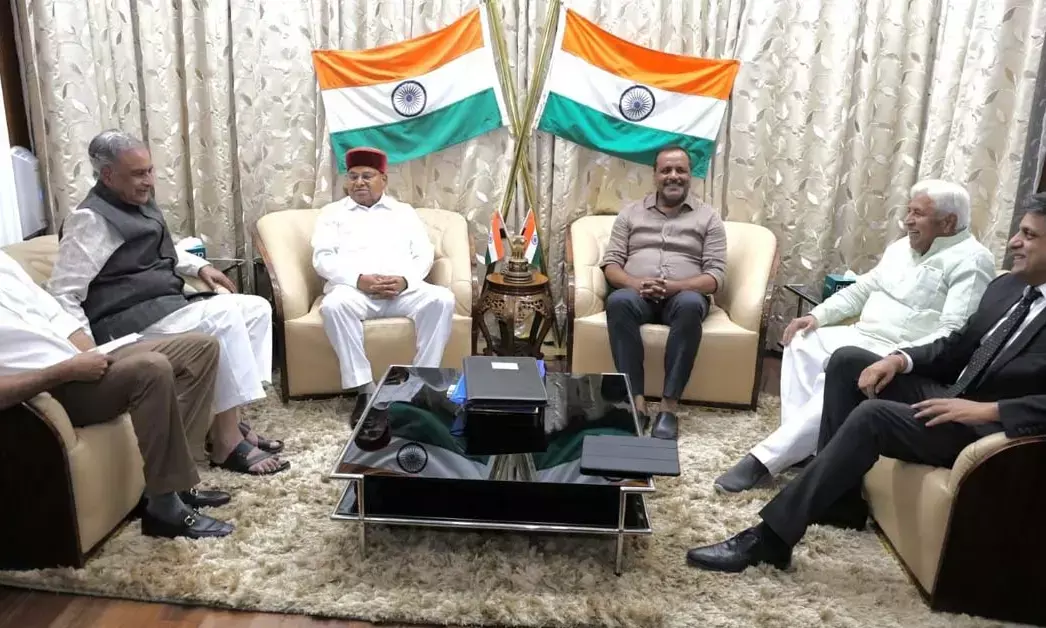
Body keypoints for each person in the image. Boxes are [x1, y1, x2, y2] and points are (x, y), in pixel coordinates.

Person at [685, 194, 1046, 574]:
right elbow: (957, 346)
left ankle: (771, 539)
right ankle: (840, 502)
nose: (1013, 242)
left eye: (1028, 235)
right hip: (955, 394)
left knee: (874, 416)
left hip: (992, 432)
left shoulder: (975, 265)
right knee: (848, 362)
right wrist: (899, 359)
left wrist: (990, 411)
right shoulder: (1009, 288)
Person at [715, 180, 995, 492]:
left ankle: (764, 460)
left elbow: (954, 333)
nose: (908, 221)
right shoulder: (902, 247)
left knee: (839, 374)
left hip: (901, 353)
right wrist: (817, 316)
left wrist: (901, 358)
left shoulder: (972, 261)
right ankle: (807, 450)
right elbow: (861, 290)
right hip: (863, 334)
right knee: (801, 339)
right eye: (908, 211)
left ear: (948, 222)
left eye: (918, 214)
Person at [48, 130, 288, 476]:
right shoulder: (90, 220)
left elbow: (163, 247)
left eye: (150, 170)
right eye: (138, 174)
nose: (149, 181)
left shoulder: (135, 201)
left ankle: (228, 420)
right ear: (108, 175)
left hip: (163, 308)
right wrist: (87, 350)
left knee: (255, 309)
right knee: (223, 314)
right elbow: (64, 292)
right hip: (125, 324)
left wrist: (199, 266)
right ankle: (226, 442)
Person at [0, 250, 233, 539]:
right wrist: (66, 370)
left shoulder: (4, 263)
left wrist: (96, 355)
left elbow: (56, 317)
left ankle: (177, 481)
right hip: (53, 387)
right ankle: (163, 508)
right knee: (151, 369)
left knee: (200, 348)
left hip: (77, 362)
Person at [311, 147, 455, 422]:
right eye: (353, 177)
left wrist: (404, 281)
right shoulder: (332, 213)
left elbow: (423, 254)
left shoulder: (404, 212)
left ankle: (419, 384)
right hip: (355, 292)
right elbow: (322, 258)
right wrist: (358, 280)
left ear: (383, 180)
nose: (359, 183)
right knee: (333, 307)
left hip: (401, 292)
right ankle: (365, 389)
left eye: (367, 176)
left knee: (442, 299)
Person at [599, 145, 727, 440]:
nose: (673, 176)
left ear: (690, 175)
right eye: (666, 170)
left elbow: (715, 276)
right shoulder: (630, 213)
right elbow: (611, 264)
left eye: (680, 170)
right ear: (655, 175)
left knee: (691, 304)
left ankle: (669, 407)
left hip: (683, 298)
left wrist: (675, 287)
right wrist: (634, 283)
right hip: (638, 296)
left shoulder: (708, 218)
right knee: (618, 301)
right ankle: (637, 403)